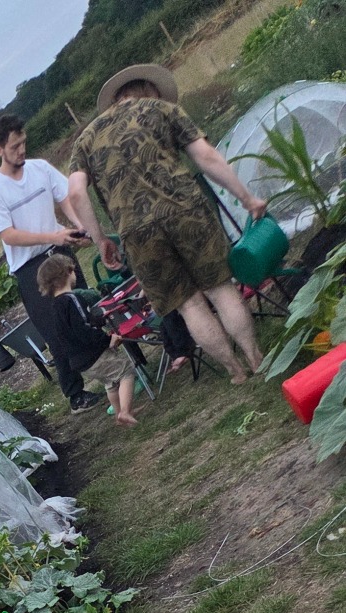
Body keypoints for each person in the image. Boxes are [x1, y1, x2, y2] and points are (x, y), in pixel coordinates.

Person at [64, 64, 269, 386]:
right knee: (220, 289)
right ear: (148, 88)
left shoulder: (86, 140)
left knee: (189, 305)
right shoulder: (161, 109)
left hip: (137, 233)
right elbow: (206, 157)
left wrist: (101, 238)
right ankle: (255, 357)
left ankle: (235, 371)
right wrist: (247, 198)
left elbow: (76, 193)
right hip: (186, 211)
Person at [0, 111, 102, 411]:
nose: (21, 150)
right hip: (31, 269)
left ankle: (111, 370)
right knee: (56, 331)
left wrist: (79, 226)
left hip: (60, 253)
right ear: (0, 150)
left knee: (85, 309)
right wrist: (52, 235)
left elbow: (65, 197)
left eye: (23, 143)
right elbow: (9, 235)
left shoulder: (40, 169)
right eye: (14, 147)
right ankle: (76, 394)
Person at [38, 253, 138, 426]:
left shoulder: (55, 307)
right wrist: (107, 339)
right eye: (73, 270)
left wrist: (97, 320)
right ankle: (125, 412)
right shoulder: (72, 299)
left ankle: (119, 416)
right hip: (95, 354)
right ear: (67, 273)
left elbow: (72, 329)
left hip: (79, 362)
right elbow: (84, 328)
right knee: (126, 372)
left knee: (110, 383)